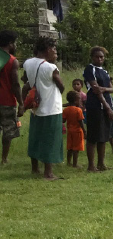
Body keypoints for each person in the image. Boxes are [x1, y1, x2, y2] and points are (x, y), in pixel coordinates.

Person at [23, 37, 65, 179]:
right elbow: (61, 86)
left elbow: (26, 81)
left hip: (36, 108)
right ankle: (48, 172)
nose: (55, 53)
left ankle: (35, 168)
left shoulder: (28, 63)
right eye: (54, 50)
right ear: (48, 49)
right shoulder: (51, 67)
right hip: (51, 107)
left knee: (36, 137)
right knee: (51, 139)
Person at [83, 46, 113, 173]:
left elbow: (111, 89)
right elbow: (96, 89)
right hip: (95, 106)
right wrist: (107, 107)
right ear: (92, 57)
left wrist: (105, 89)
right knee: (93, 136)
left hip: (106, 105)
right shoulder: (90, 69)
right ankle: (91, 165)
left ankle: (101, 163)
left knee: (103, 135)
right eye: (97, 57)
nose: (99, 59)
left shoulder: (104, 71)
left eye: (101, 57)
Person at [0, 30, 24, 165]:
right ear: (10, 44)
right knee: (8, 131)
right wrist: (21, 103)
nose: (15, 45)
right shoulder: (12, 61)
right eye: (14, 43)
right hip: (6, 101)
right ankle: (4, 159)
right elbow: (15, 84)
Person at [63, 91, 85, 168]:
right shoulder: (78, 110)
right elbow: (81, 122)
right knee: (76, 149)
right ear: (76, 100)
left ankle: (68, 162)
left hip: (70, 131)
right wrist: (85, 131)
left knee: (70, 147)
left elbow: (63, 120)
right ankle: (75, 164)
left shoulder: (66, 110)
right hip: (78, 131)